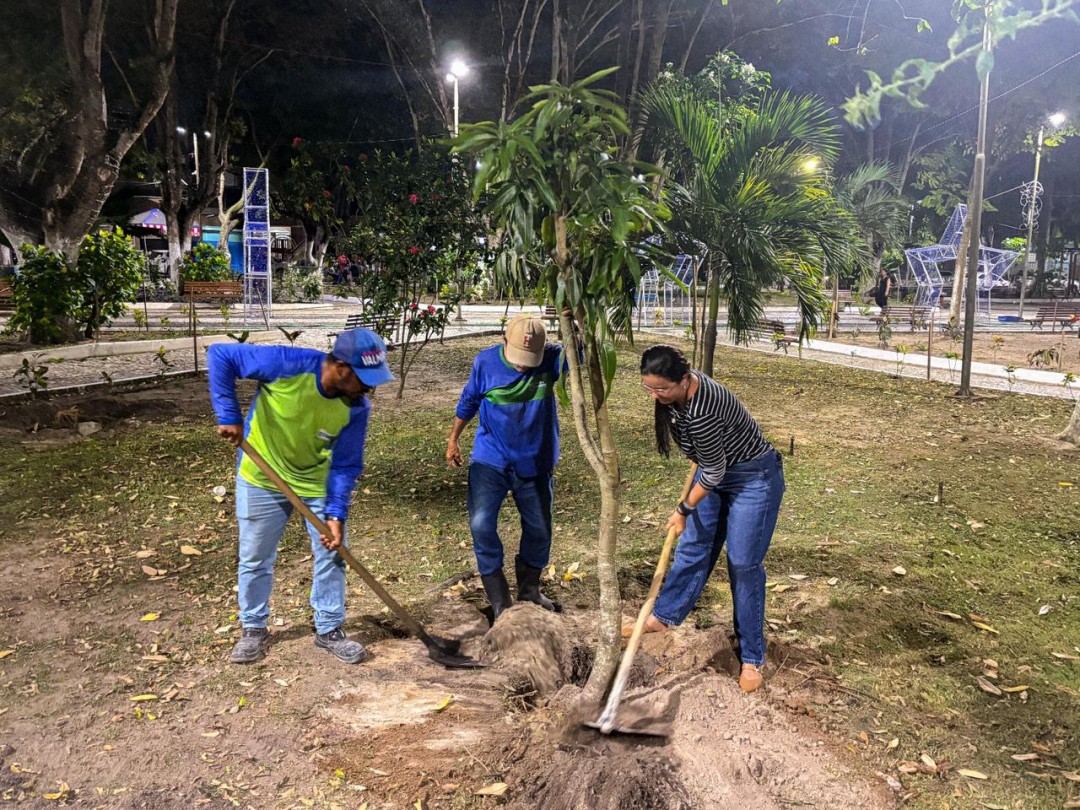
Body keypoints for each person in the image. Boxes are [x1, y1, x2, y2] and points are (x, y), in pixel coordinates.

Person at [207, 328, 394, 665]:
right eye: (363, 378)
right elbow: (221, 355)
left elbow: (345, 465)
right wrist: (228, 416)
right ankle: (253, 628)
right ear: (339, 367)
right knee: (255, 556)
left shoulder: (357, 408)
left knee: (334, 554)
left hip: (316, 483)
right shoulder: (286, 364)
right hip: (261, 475)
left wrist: (335, 515)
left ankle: (329, 628)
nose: (370, 387)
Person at [630, 344, 785, 693]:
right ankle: (664, 616)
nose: (655, 395)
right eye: (649, 389)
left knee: (743, 564)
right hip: (715, 472)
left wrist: (684, 509)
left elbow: (713, 470)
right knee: (693, 546)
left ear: (684, 379)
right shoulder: (677, 398)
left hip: (753, 478)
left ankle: (751, 657)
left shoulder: (703, 408)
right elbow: (707, 460)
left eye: (662, 389)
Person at [446, 315, 565, 621]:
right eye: (518, 357)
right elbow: (468, 401)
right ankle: (499, 600)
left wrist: (573, 318)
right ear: (503, 340)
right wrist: (453, 439)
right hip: (491, 459)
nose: (523, 365)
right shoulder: (485, 363)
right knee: (482, 525)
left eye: (530, 359)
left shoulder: (553, 358)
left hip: (535, 461)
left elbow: (586, 352)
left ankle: (530, 591)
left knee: (539, 528)